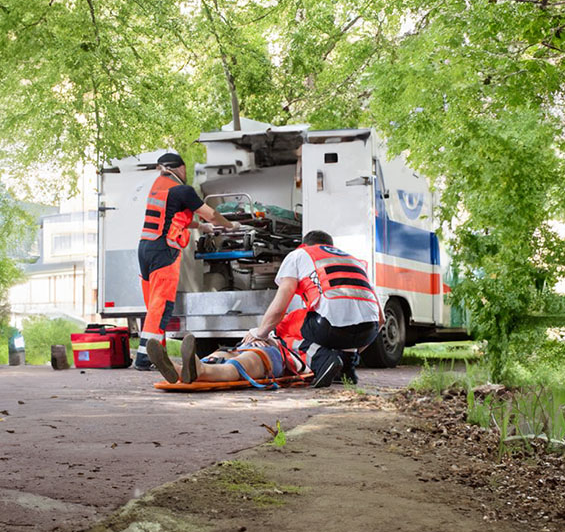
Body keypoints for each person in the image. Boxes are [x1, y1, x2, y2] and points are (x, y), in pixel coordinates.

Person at [135, 152, 240, 370]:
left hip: (146, 247)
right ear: (180, 168)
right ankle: (145, 358)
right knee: (161, 306)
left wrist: (199, 227)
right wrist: (231, 226)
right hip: (165, 249)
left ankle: (156, 353)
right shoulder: (183, 189)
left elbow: (172, 216)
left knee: (153, 305)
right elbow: (210, 213)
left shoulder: (159, 185)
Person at [241, 230, 384, 388]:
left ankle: (321, 360)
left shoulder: (299, 254)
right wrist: (351, 350)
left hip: (330, 328)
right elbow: (381, 319)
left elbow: (279, 309)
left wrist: (260, 333)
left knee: (283, 326)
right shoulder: (353, 261)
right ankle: (346, 368)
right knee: (343, 320)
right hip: (369, 330)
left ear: (304, 244)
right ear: (331, 246)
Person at [146, 332, 308, 387]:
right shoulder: (306, 324)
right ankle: (188, 368)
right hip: (250, 345)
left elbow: (304, 367)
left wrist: (265, 337)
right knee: (224, 356)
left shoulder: (306, 332)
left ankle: (191, 369)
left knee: (237, 361)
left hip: (274, 352)